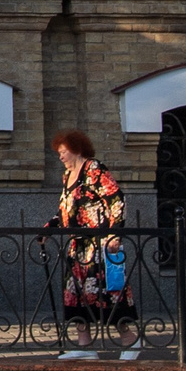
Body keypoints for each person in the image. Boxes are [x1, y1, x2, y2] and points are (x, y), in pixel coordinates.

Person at [47, 130, 135, 358]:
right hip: (78, 247)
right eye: (59, 153)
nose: (61, 157)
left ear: (76, 149)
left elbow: (116, 198)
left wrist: (115, 234)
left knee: (106, 294)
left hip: (98, 245)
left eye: (63, 152)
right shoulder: (68, 175)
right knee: (75, 294)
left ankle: (130, 339)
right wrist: (49, 228)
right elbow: (66, 208)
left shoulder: (94, 169)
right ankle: (85, 346)